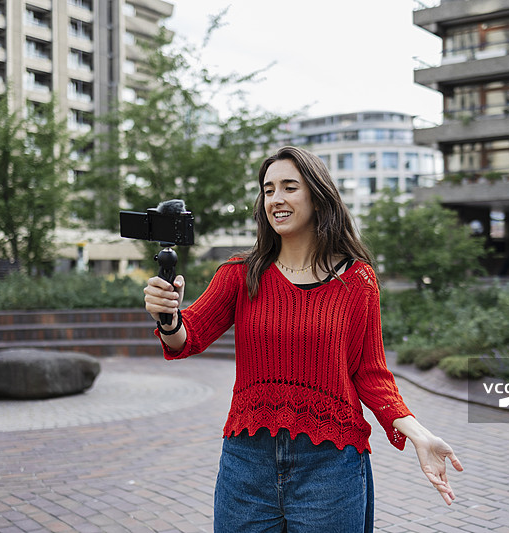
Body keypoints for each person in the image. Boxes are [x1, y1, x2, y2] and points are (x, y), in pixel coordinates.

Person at [144, 146, 463, 532]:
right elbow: (186, 337)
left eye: (289, 187)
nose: (275, 198)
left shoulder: (357, 280)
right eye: (268, 189)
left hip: (331, 465)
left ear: (316, 194)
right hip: (246, 462)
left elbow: (370, 373)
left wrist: (419, 435)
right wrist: (168, 316)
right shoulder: (239, 274)